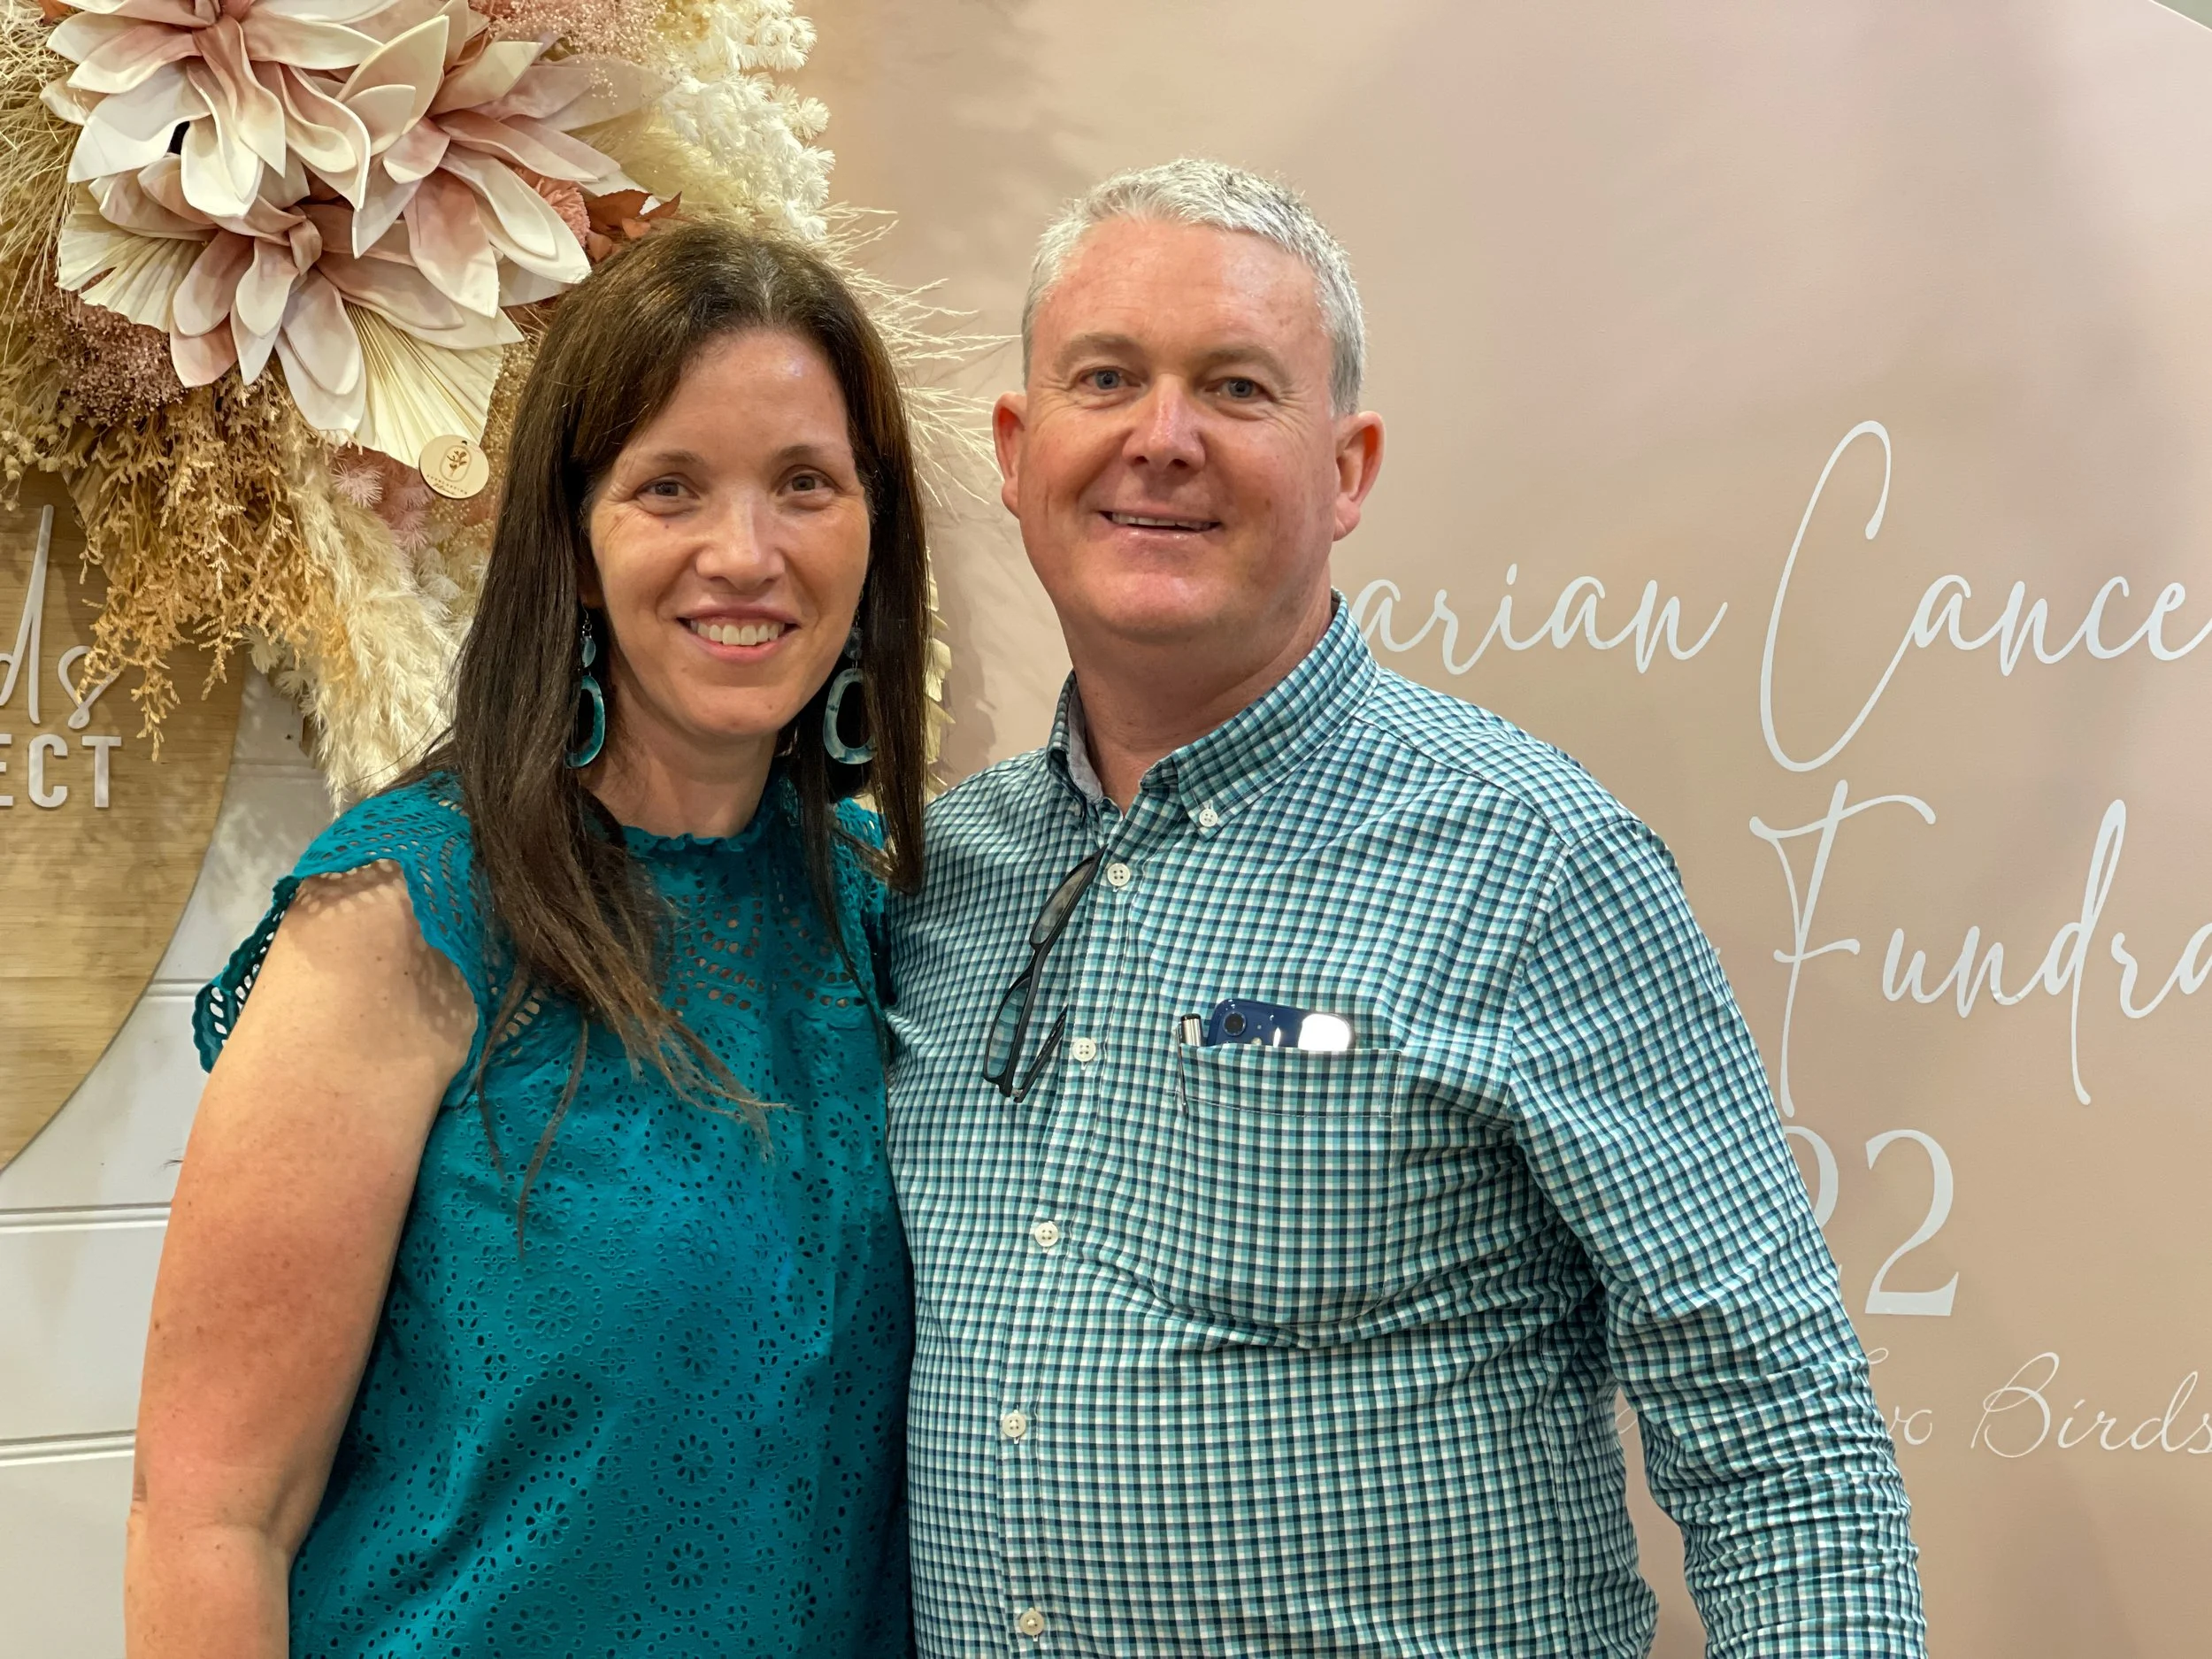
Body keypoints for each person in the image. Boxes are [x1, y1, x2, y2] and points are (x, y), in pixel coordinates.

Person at [886, 158, 1927, 1656]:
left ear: (1350, 467)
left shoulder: (1536, 863)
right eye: (1104, 377)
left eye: (1236, 389)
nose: (1160, 440)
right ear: (1015, 443)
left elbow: (1780, 1437)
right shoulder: (934, 884)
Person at [127, 224, 933, 1657]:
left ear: (873, 533)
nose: (744, 554)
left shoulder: (880, 912)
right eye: (668, 486)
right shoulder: (408, 914)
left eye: (803, 484)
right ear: (566, 540)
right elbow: (209, 1518)